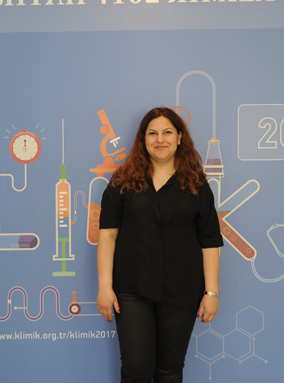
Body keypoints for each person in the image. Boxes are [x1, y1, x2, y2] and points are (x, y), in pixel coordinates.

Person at [97, 107, 223, 383]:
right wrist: (105, 287)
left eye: (167, 132)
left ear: (179, 137)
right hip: (131, 291)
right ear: (143, 139)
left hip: (182, 293)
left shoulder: (197, 185)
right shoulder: (121, 181)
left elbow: (210, 241)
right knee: (135, 369)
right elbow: (107, 237)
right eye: (152, 133)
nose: (160, 139)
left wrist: (211, 293)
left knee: (169, 370)